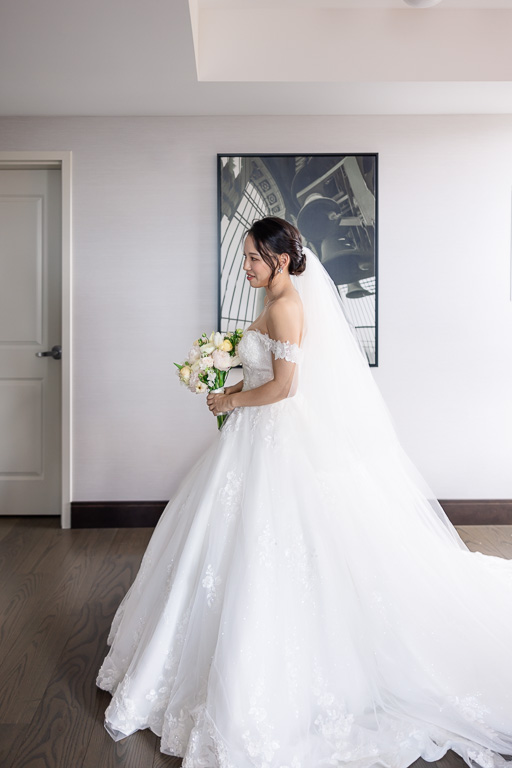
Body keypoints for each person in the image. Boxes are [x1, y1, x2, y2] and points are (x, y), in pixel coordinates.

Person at [97, 216, 512, 768]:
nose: (243, 266)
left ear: (280, 259)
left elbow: (287, 387)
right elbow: (266, 368)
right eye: (244, 256)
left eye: (251, 258)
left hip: (273, 441)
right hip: (251, 439)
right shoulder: (275, 299)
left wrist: (229, 403)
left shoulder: (287, 305)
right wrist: (228, 381)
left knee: (273, 541)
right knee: (225, 541)